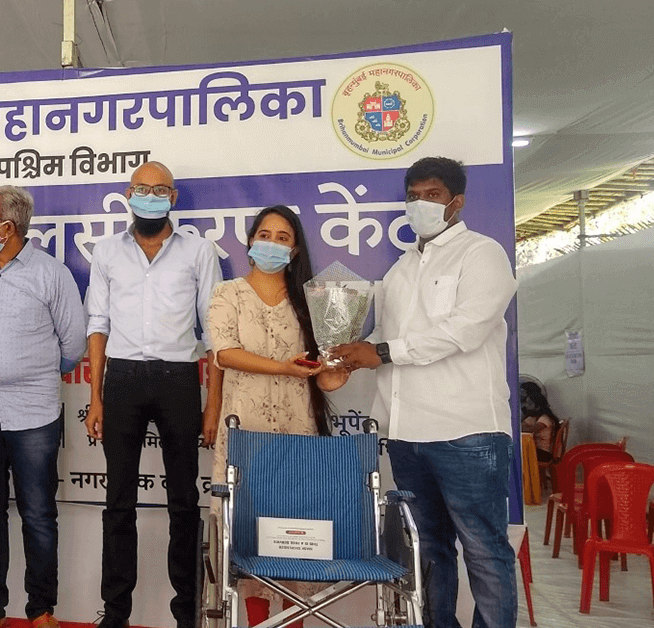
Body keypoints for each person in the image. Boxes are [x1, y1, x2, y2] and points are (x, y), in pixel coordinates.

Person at [332, 157, 518, 628]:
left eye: (432, 195)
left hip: (466, 431)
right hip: (406, 433)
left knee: (484, 549)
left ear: (457, 201)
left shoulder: (482, 254)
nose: (420, 204)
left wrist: (381, 351)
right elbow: (386, 340)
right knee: (427, 549)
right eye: (413, 195)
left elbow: (465, 331)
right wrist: (346, 358)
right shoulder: (400, 269)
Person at [84, 161, 223, 628]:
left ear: (173, 198)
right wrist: (96, 397)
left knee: (183, 501)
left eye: (160, 190)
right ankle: (115, 612)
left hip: (178, 378)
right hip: (122, 378)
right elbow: (97, 324)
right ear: (128, 194)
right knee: (118, 502)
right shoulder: (106, 252)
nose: (150, 196)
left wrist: (212, 405)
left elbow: (214, 334)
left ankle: (187, 612)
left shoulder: (199, 251)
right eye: (142, 189)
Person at [206, 205, 350, 625]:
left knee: (293, 534)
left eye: (282, 238)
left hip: (297, 432)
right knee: (247, 535)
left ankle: (294, 620)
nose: (271, 243)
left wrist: (338, 370)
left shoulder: (315, 300)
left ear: (295, 249)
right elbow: (225, 353)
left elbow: (323, 377)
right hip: (244, 433)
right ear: (251, 242)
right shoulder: (227, 293)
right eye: (264, 235)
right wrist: (284, 368)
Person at [0, 186, 87, 628]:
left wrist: (33, 373)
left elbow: (73, 344)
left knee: (39, 516)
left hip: (34, 413)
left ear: (8, 227)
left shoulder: (52, 274)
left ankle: (41, 612)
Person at [519, 381, 560, 462]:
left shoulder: (544, 419)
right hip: (539, 450)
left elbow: (530, 430)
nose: (525, 406)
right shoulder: (536, 417)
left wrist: (520, 425)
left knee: (518, 453)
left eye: (529, 404)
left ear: (537, 407)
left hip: (544, 453)